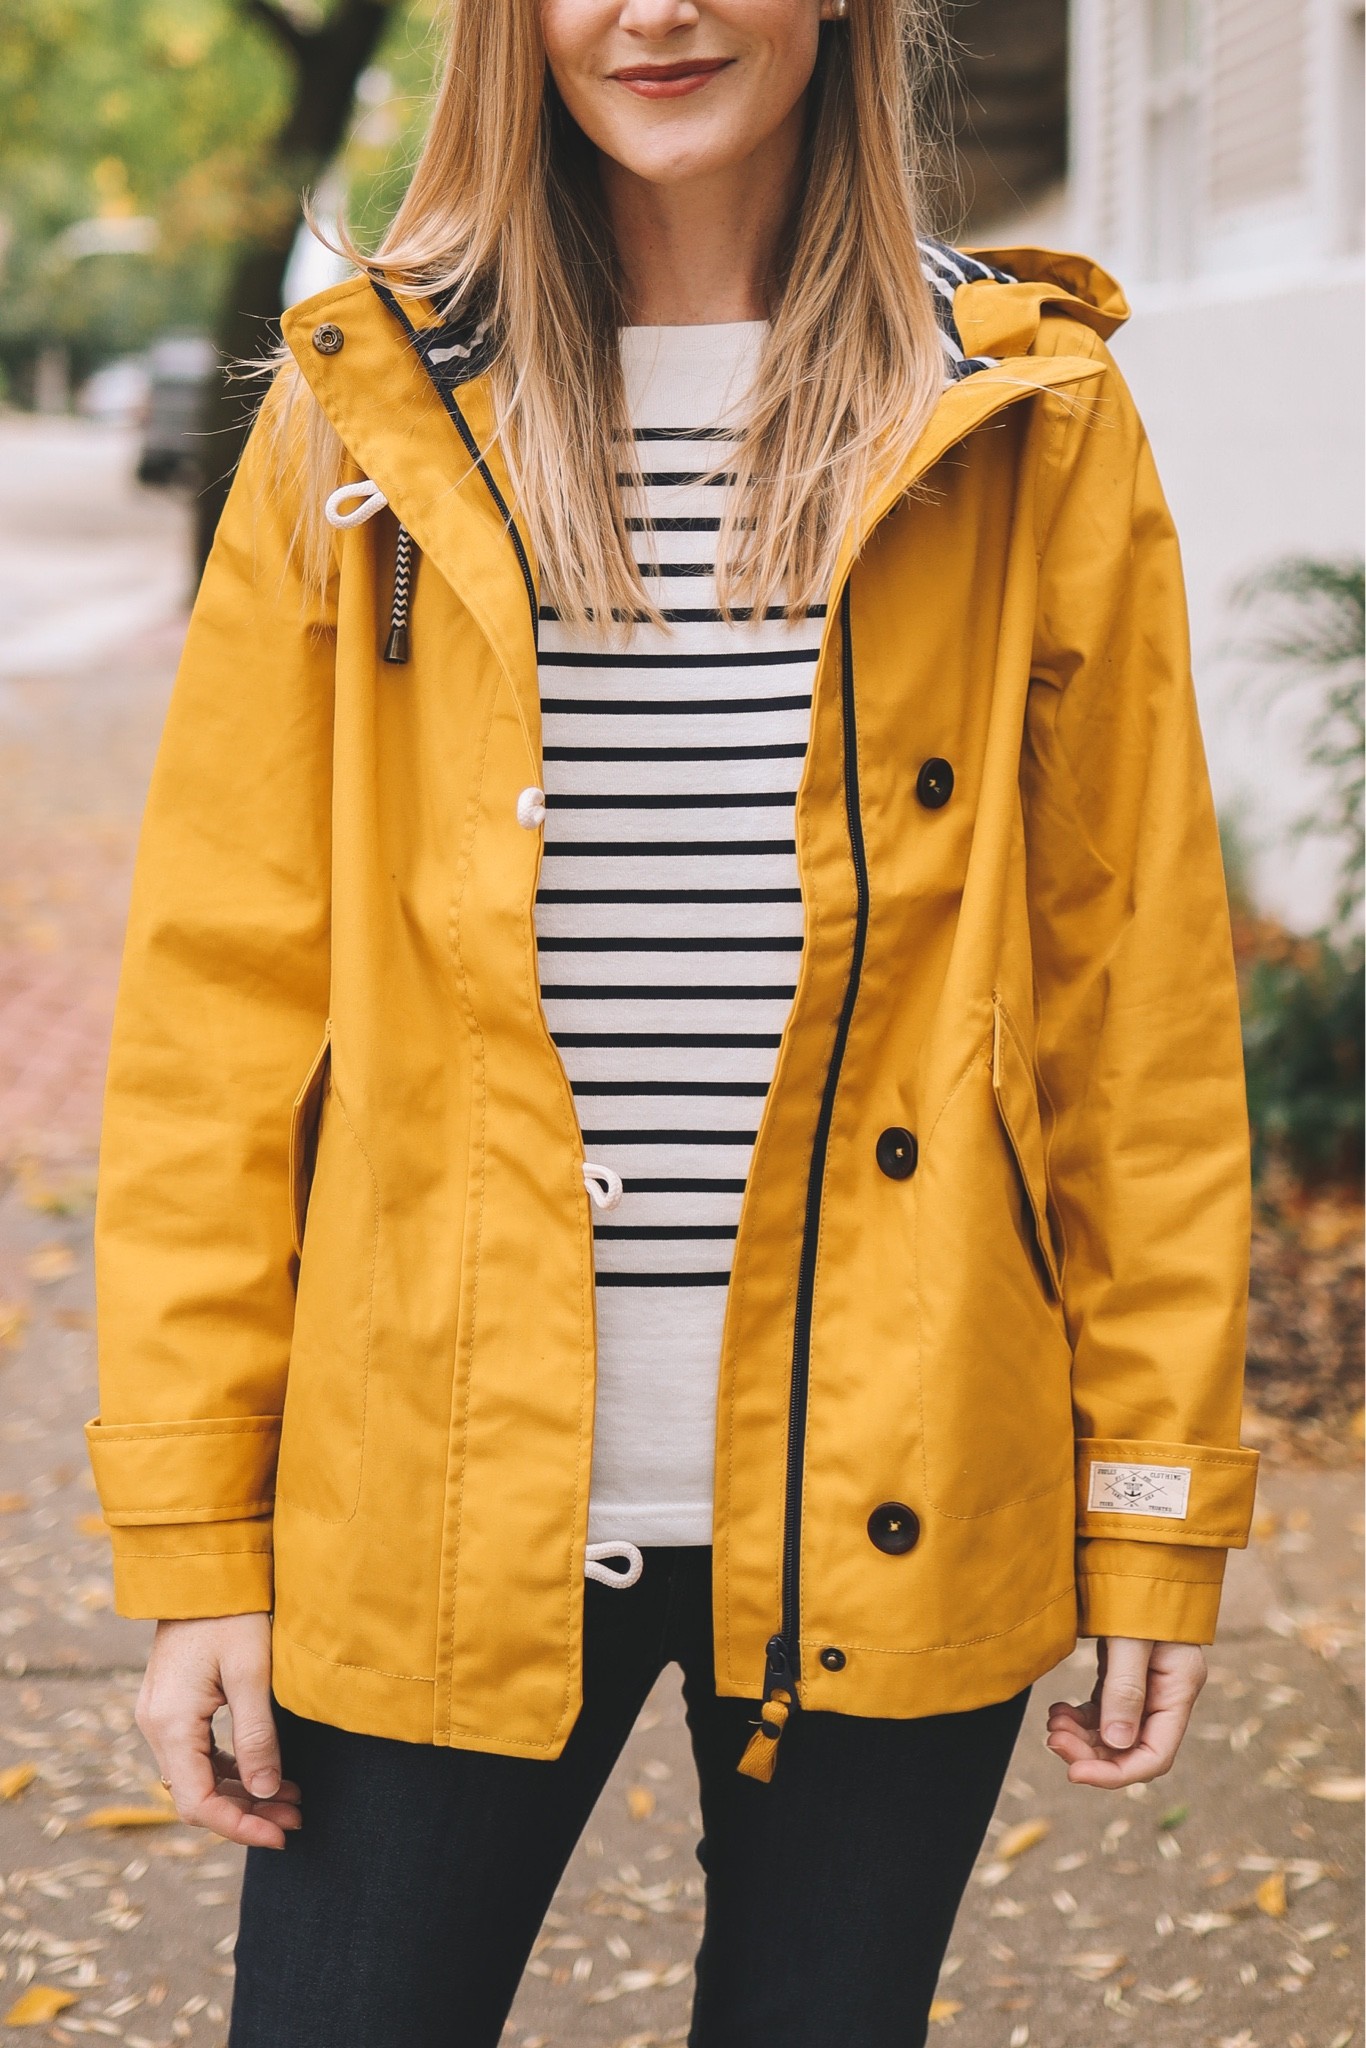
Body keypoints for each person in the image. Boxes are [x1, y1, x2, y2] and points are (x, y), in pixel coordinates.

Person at [85, 2, 1260, 2042]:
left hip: (894, 1472)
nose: (657, 11)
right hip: (432, 1484)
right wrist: (201, 1543)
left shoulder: (1024, 415)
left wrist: (1149, 1494)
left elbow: (1129, 997)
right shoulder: (359, 412)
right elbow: (221, 1011)